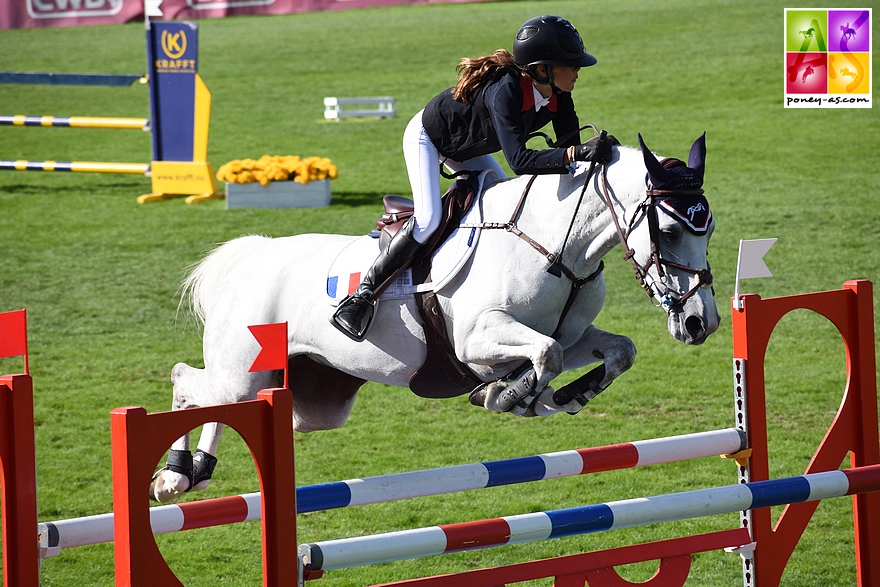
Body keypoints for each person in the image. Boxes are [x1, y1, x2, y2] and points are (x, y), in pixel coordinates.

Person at [332, 14, 617, 341]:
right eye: (571, 65)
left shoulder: (558, 93)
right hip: (429, 137)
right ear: (542, 69)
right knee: (428, 219)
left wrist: (595, 151)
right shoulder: (507, 92)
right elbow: (521, 161)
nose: (578, 71)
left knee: (498, 200)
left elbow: (571, 147)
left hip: (467, 146)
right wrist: (574, 155)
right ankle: (362, 296)